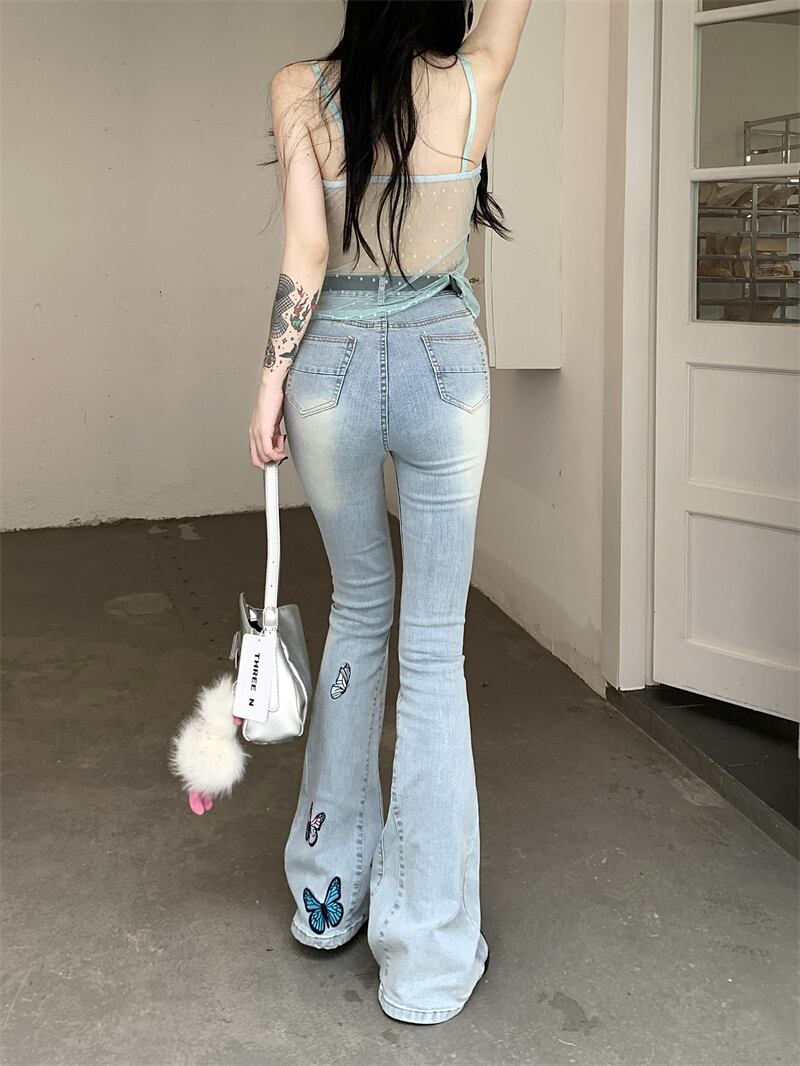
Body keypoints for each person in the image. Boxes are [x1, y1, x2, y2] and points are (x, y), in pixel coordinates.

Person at [248, 0, 533, 1026]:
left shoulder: (300, 90)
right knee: (432, 650)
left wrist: (270, 385)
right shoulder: (475, 78)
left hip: (326, 369)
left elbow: (305, 253)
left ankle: (327, 898)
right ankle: (425, 957)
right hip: (443, 366)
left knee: (357, 611)